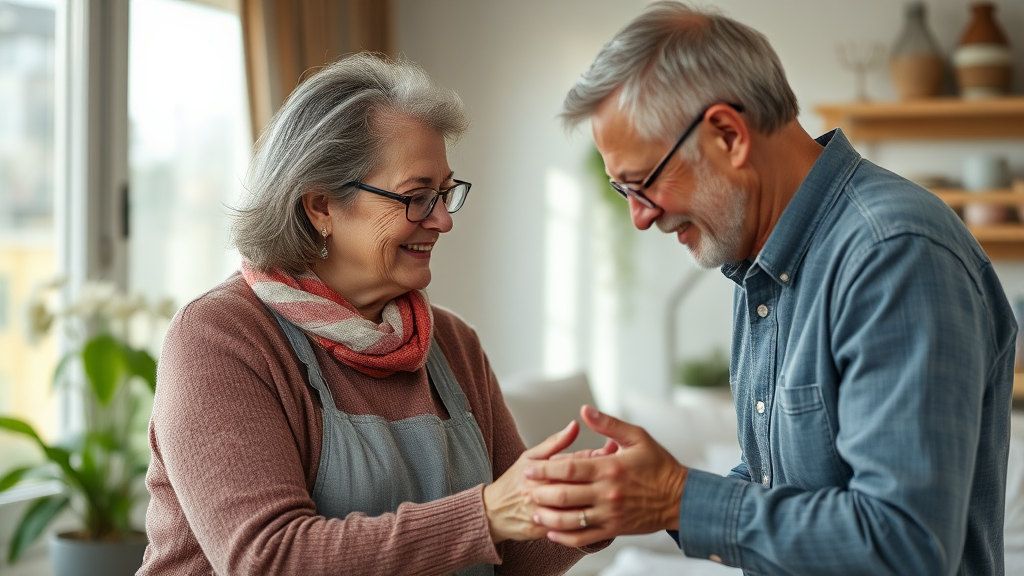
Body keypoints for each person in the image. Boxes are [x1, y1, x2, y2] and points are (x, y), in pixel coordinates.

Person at [524, 3, 1017, 575]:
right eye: (620, 191)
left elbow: (903, 544)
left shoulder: (892, 253)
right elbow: (781, 485)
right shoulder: (764, 266)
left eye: (641, 184)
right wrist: (652, 494)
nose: (638, 217)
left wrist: (677, 497)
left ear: (728, 135)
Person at [139, 53, 601, 575]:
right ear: (321, 207)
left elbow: (516, 556)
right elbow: (269, 560)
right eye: (417, 197)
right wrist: (487, 514)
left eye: (446, 193)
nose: (444, 221)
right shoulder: (221, 338)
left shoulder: (452, 343)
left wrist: (590, 506)